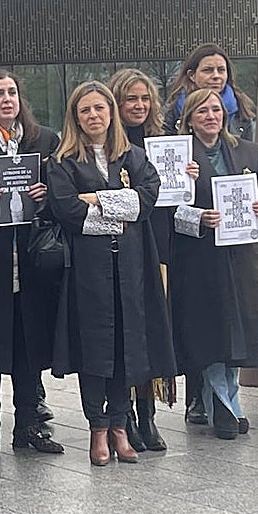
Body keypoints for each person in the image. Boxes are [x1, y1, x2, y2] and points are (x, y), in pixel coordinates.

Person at [47, 81, 177, 466]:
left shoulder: (132, 156)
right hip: (88, 271)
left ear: (111, 113)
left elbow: (147, 200)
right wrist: (117, 213)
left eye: (99, 109)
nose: (93, 116)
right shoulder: (62, 161)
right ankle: (98, 429)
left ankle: (121, 425)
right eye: (85, 110)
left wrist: (98, 200)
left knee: (126, 346)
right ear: (76, 116)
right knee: (94, 348)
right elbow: (67, 210)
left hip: (132, 268)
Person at [0, 70, 65, 459]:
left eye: (12, 93)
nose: (7, 100)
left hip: (32, 252)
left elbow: (63, 194)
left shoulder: (44, 139)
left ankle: (29, 424)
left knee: (28, 343)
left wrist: (46, 192)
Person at [169, 88, 258, 439]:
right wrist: (199, 217)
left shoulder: (247, 151)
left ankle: (231, 399)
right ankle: (223, 408)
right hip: (200, 258)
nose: (210, 116)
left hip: (240, 256)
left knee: (239, 331)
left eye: (215, 109)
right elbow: (166, 212)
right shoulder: (181, 158)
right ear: (189, 118)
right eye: (202, 111)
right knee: (211, 330)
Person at [107, 68, 177, 447]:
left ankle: (148, 414)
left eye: (144, 98)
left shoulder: (165, 142)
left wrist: (187, 177)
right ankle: (127, 415)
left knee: (153, 329)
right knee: (127, 331)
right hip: (123, 244)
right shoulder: (110, 145)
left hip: (159, 243)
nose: (138, 105)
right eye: (131, 99)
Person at [164, 43, 256, 140]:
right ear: (192, 75)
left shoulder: (241, 110)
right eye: (208, 70)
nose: (216, 76)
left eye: (221, 70)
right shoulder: (172, 111)